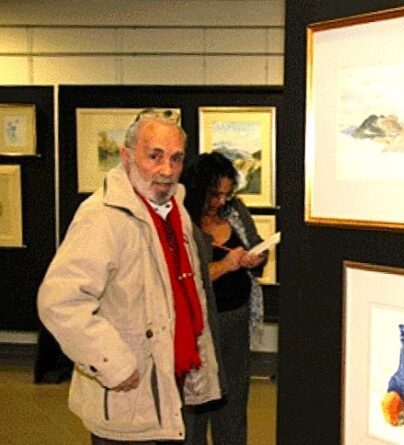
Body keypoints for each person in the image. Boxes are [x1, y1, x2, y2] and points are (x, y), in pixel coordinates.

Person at [37, 108, 221, 444]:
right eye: (154, 156)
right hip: (129, 394)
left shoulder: (175, 209)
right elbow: (60, 301)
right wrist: (112, 363)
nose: (167, 169)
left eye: (176, 158)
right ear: (126, 157)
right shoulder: (103, 217)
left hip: (172, 383)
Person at [179, 151, 267, 445]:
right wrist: (225, 265)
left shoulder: (236, 212)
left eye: (226, 195)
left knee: (234, 397)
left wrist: (256, 257)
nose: (220, 202)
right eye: (214, 195)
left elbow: (256, 244)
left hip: (236, 318)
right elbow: (182, 276)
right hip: (198, 323)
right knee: (196, 398)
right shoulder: (182, 221)